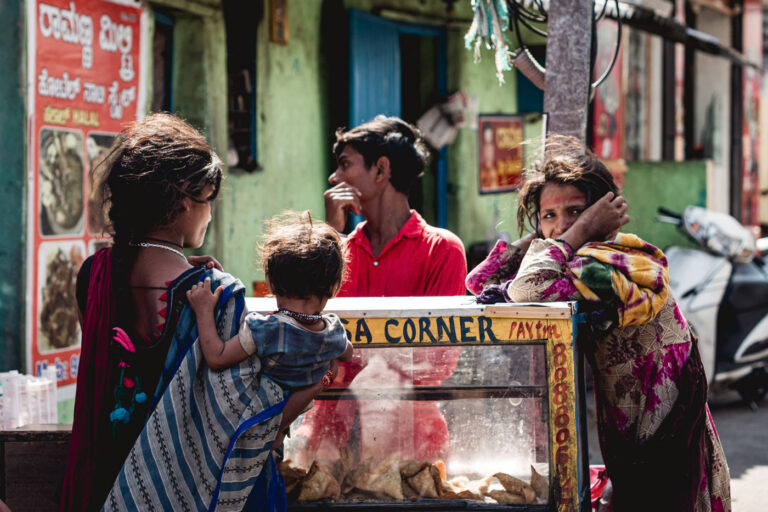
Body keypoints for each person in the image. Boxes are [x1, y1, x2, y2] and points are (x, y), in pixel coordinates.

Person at [60, 114, 333, 512]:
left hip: (108, 485)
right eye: (209, 201)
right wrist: (312, 388)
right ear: (185, 202)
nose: (210, 214)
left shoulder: (94, 275)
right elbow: (248, 432)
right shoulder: (218, 296)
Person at [466, 135, 731, 512]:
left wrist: (573, 234)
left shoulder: (607, 265)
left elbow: (525, 289)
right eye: (550, 215)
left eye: (576, 211)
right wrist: (546, 235)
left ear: (603, 214)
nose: (563, 225)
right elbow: (481, 284)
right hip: (636, 441)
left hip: (666, 444)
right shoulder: (570, 261)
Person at [295, 116, 467, 464]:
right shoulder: (338, 252)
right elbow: (301, 325)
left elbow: (442, 360)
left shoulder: (443, 249)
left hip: (413, 446)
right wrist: (328, 235)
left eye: (345, 165)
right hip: (328, 440)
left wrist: (357, 358)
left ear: (381, 170)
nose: (334, 178)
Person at [186, 212, 354, 448]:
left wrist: (204, 310)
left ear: (270, 282)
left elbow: (216, 357)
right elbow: (348, 353)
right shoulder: (332, 331)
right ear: (335, 287)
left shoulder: (265, 329)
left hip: (254, 419)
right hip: (291, 418)